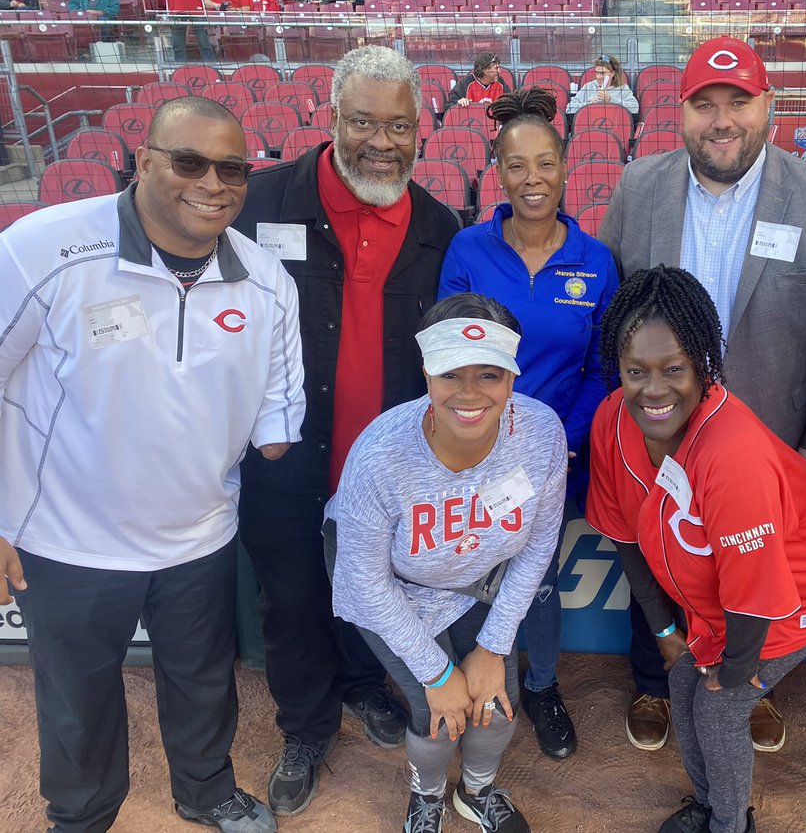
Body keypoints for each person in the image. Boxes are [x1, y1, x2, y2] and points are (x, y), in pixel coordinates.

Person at [0, 95, 304, 833]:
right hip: (64, 537)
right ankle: (80, 815)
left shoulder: (269, 282)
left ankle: (205, 793)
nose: (213, 183)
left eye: (232, 168)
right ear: (144, 162)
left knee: (203, 685)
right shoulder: (41, 247)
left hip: (198, 535)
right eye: (189, 161)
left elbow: (276, 426)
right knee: (77, 699)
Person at [599, 35, 806, 756]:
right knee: (658, 561)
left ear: (769, 108)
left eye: (738, 103)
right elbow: (613, 317)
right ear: (680, 115)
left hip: (770, 450)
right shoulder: (638, 189)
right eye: (704, 105)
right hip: (659, 430)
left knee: (749, 580)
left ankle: (748, 689)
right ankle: (657, 686)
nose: (722, 120)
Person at [233, 46, 461, 817]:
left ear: (419, 129)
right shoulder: (261, 206)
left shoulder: (440, 226)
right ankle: (306, 725)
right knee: (292, 598)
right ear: (330, 118)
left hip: (389, 468)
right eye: (363, 120)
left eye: (399, 125)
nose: (381, 141)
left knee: (372, 591)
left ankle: (366, 687)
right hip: (284, 455)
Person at [588, 265, 806, 833]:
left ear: (703, 366)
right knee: (681, 682)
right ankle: (711, 804)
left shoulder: (730, 452)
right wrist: (667, 633)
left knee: (717, 707)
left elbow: (757, 587)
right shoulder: (611, 420)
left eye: (674, 369)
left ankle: (730, 824)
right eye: (635, 370)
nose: (654, 390)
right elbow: (624, 538)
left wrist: (735, 669)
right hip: (729, 588)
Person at [328, 292, 566, 833]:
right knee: (440, 715)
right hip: (393, 584)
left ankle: (476, 793)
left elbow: (537, 546)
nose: (469, 393)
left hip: (478, 579)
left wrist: (493, 646)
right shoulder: (380, 453)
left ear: (512, 378)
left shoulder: (542, 433)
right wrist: (436, 672)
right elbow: (365, 581)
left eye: (489, 375)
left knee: (493, 707)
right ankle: (427, 794)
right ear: (426, 374)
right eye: (450, 374)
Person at [438, 88, 619, 762]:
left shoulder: (596, 261)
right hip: (470, 446)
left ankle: (540, 686)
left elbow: (604, 371)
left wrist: (562, 443)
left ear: (566, 166)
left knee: (535, 580)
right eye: (518, 165)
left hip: (552, 457)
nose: (532, 179)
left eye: (545, 163)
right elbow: (451, 351)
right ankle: (468, 683)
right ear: (498, 170)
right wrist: (470, 437)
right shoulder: (468, 247)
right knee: (463, 570)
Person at [566, 53, 640, 116]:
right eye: (597, 72)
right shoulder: (588, 87)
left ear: (612, 73)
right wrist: (589, 104)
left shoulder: (623, 89)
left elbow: (635, 109)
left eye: (602, 73)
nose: (598, 77)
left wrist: (611, 100)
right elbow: (569, 108)